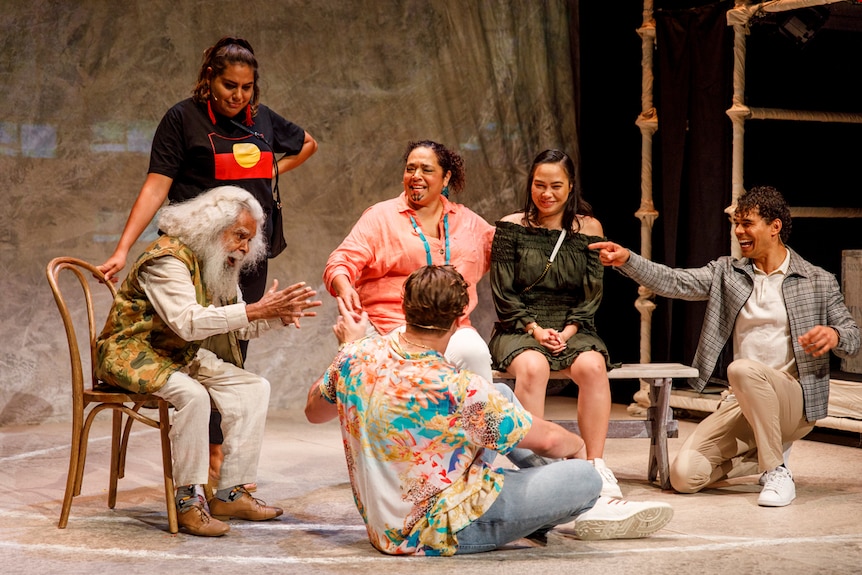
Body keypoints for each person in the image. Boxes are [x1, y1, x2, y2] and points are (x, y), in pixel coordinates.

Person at [305, 265, 673, 556]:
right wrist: (578, 449)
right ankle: (588, 504)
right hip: (437, 530)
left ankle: (556, 507)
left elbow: (315, 412)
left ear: (405, 307)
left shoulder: (357, 355)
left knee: (498, 391)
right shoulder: (459, 388)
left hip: (384, 526)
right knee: (583, 479)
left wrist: (347, 351)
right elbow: (548, 440)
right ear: (459, 315)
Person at [97, 36, 318, 488]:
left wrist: (262, 173)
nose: (238, 96)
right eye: (229, 85)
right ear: (209, 80)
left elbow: (307, 144)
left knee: (235, 347)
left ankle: (228, 463)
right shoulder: (184, 119)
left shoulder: (262, 119)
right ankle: (210, 456)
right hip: (199, 253)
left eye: (247, 87)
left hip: (247, 251)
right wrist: (123, 248)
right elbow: (157, 186)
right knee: (201, 334)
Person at [590, 185, 860, 507]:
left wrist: (834, 335)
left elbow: (853, 337)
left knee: (741, 369)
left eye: (747, 223)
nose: (739, 231)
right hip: (740, 400)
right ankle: (767, 451)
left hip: (794, 401)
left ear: (775, 227)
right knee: (684, 476)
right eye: (737, 224)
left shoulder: (816, 279)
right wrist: (628, 261)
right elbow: (675, 281)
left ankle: (776, 470)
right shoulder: (727, 273)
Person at [95, 186, 323, 536]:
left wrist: (275, 315)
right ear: (213, 227)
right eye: (240, 236)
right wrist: (254, 309)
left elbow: (234, 327)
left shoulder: (214, 262)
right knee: (193, 395)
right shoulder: (167, 258)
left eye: (250, 240)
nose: (245, 248)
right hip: (131, 351)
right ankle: (188, 499)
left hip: (176, 353)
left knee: (253, 387)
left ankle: (231, 491)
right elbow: (188, 322)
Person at [488, 149, 620, 498]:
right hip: (519, 326)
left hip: (571, 326)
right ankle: (533, 465)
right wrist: (534, 329)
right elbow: (503, 293)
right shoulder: (511, 226)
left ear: (571, 186)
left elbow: (592, 293)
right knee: (533, 367)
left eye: (556, 186)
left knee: (592, 366)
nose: (546, 194)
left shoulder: (589, 228)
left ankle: (595, 464)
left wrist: (568, 331)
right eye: (539, 185)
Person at [323, 139, 495, 382]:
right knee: (409, 373)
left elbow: (508, 249)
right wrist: (345, 286)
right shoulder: (381, 216)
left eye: (426, 169)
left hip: (452, 327)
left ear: (446, 178)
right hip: (393, 325)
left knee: (474, 354)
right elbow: (341, 261)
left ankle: (480, 419)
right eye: (410, 168)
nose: (416, 176)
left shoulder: (468, 222)